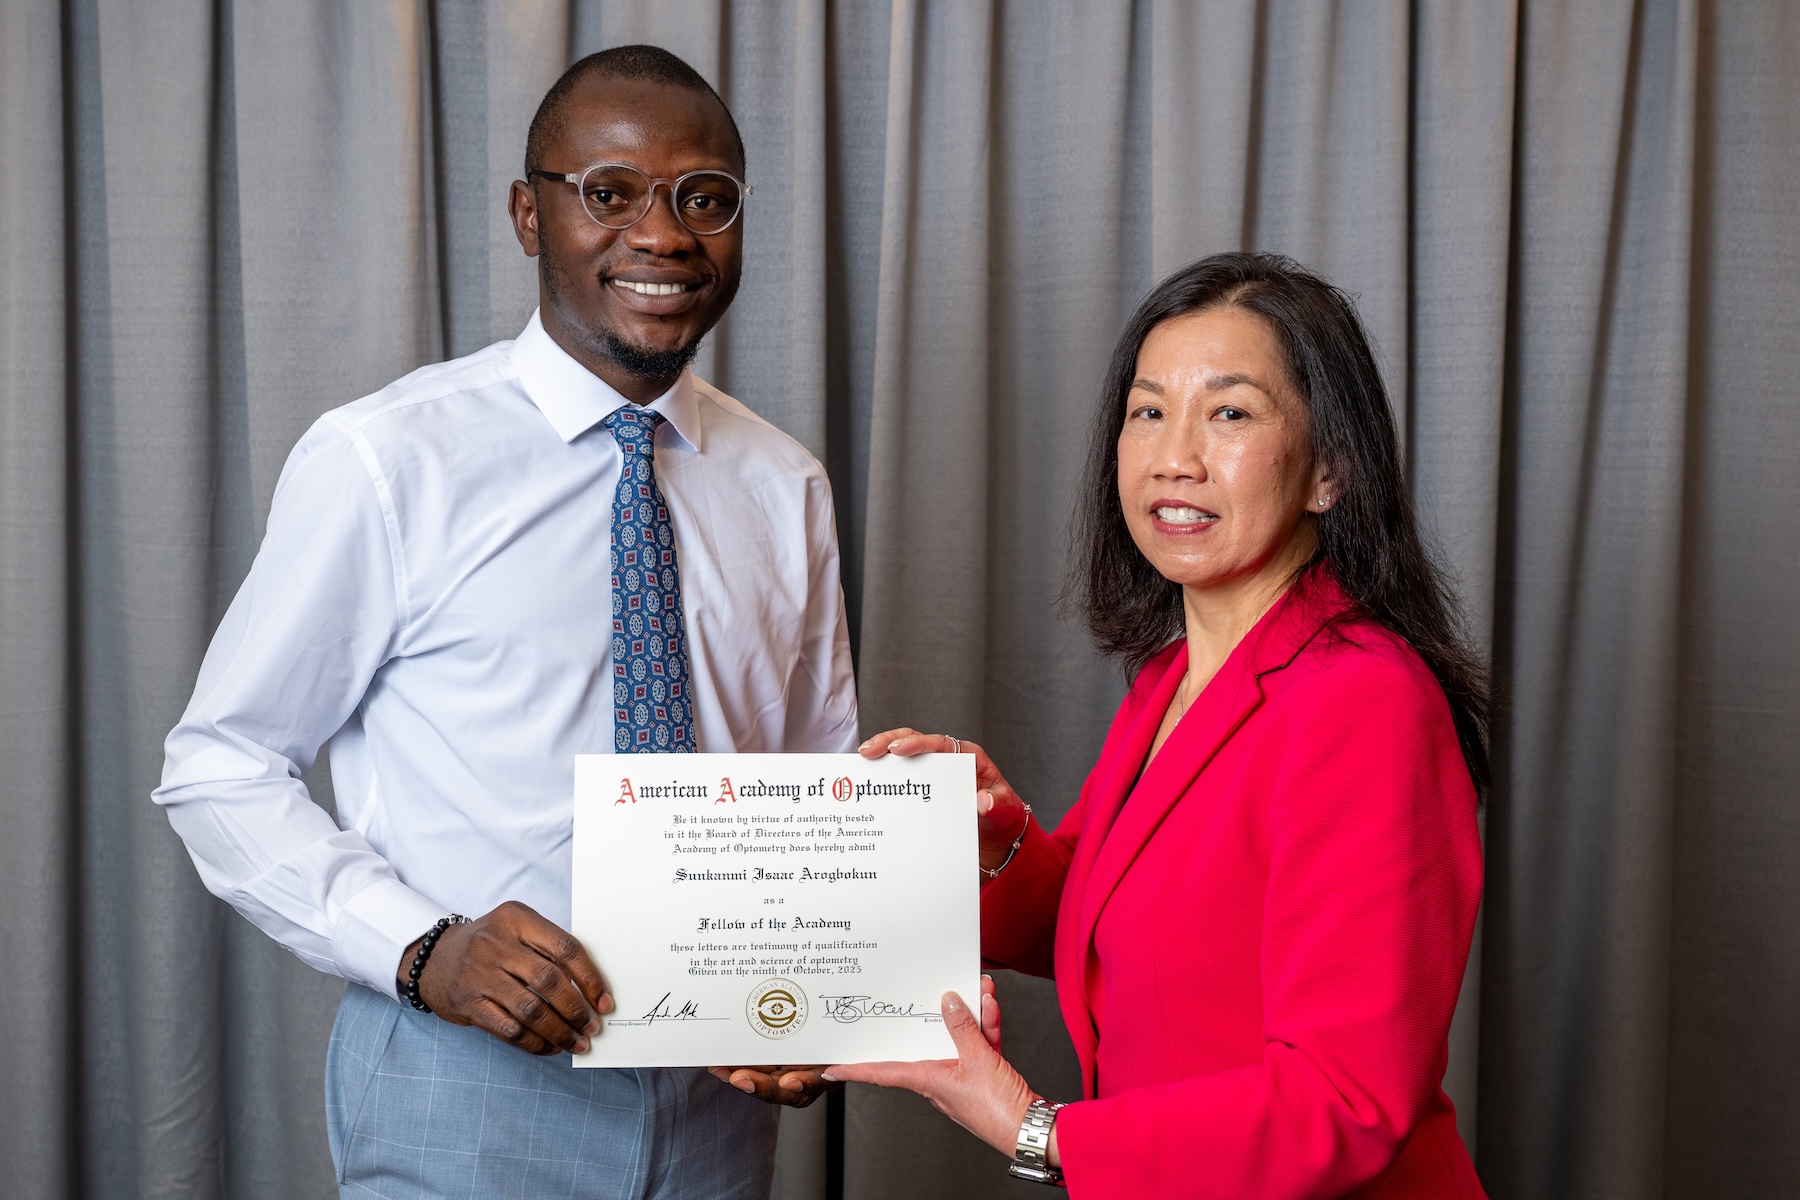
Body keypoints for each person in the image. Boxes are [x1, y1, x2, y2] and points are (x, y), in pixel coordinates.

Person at [154, 45, 851, 1199]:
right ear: (531, 214)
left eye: (705, 198)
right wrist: (426, 952)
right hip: (462, 1082)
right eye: (610, 193)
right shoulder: (387, 461)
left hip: (718, 1104)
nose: (664, 235)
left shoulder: (786, 485)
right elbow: (217, 765)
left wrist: (819, 990)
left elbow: (812, 790)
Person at [835, 252, 1490, 1197]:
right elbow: (1119, 926)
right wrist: (988, 840)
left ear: (1329, 472)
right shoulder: (1175, 677)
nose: (1174, 455)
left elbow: (1346, 1099)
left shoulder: (1363, 699)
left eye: (1229, 413)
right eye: (1149, 411)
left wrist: (1036, 1130)